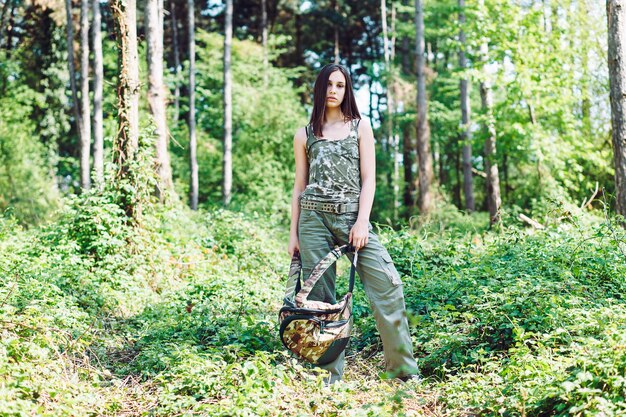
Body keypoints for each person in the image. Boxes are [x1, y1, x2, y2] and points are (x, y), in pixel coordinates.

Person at [287, 63, 419, 384]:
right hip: (313, 219)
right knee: (321, 301)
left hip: (351, 216)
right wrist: (293, 234)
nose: (334, 90)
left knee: (388, 286)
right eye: (329, 85)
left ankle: (402, 372)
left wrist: (362, 221)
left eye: (341, 85)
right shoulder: (304, 134)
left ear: (347, 90)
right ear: (320, 89)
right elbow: (299, 186)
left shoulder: (360, 127)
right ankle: (330, 377)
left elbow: (369, 179)